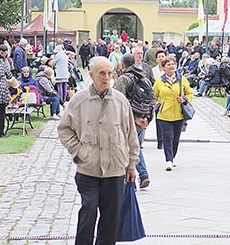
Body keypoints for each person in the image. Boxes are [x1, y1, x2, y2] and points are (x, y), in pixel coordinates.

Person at [58, 56, 139, 245]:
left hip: (115, 169)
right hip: (88, 169)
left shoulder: (120, 101)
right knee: (89, 210)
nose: (106, 77)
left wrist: (131, 164)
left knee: (111, 218)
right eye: (102, 73)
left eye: (110, 73)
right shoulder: (79, 100)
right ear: (91, 75)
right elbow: (64, 129)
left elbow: (131, 135)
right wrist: (78, 151)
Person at [116, 54, 154, 189]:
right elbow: (152, 99)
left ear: (123, 64)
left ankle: (131, 180)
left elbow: (119, 102)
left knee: (128, 148)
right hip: (143, 119)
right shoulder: (144, 78)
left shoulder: (124, 79)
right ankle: (143, 175)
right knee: (135, 147)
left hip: (130, 120)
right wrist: (147, 118)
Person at [153, 55, 193, 171]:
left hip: (179, 114)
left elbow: (190, 94)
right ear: (164, 67)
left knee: (176, 138)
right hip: (164, 114)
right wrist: (158, 105)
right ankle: (168, 160)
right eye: (168, 64)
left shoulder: (182, 79)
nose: (171, 66)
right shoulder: (159, 81)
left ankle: (172, 157)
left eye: (173, 64)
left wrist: (184, 99)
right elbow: (154, 95)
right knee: (167, 137)